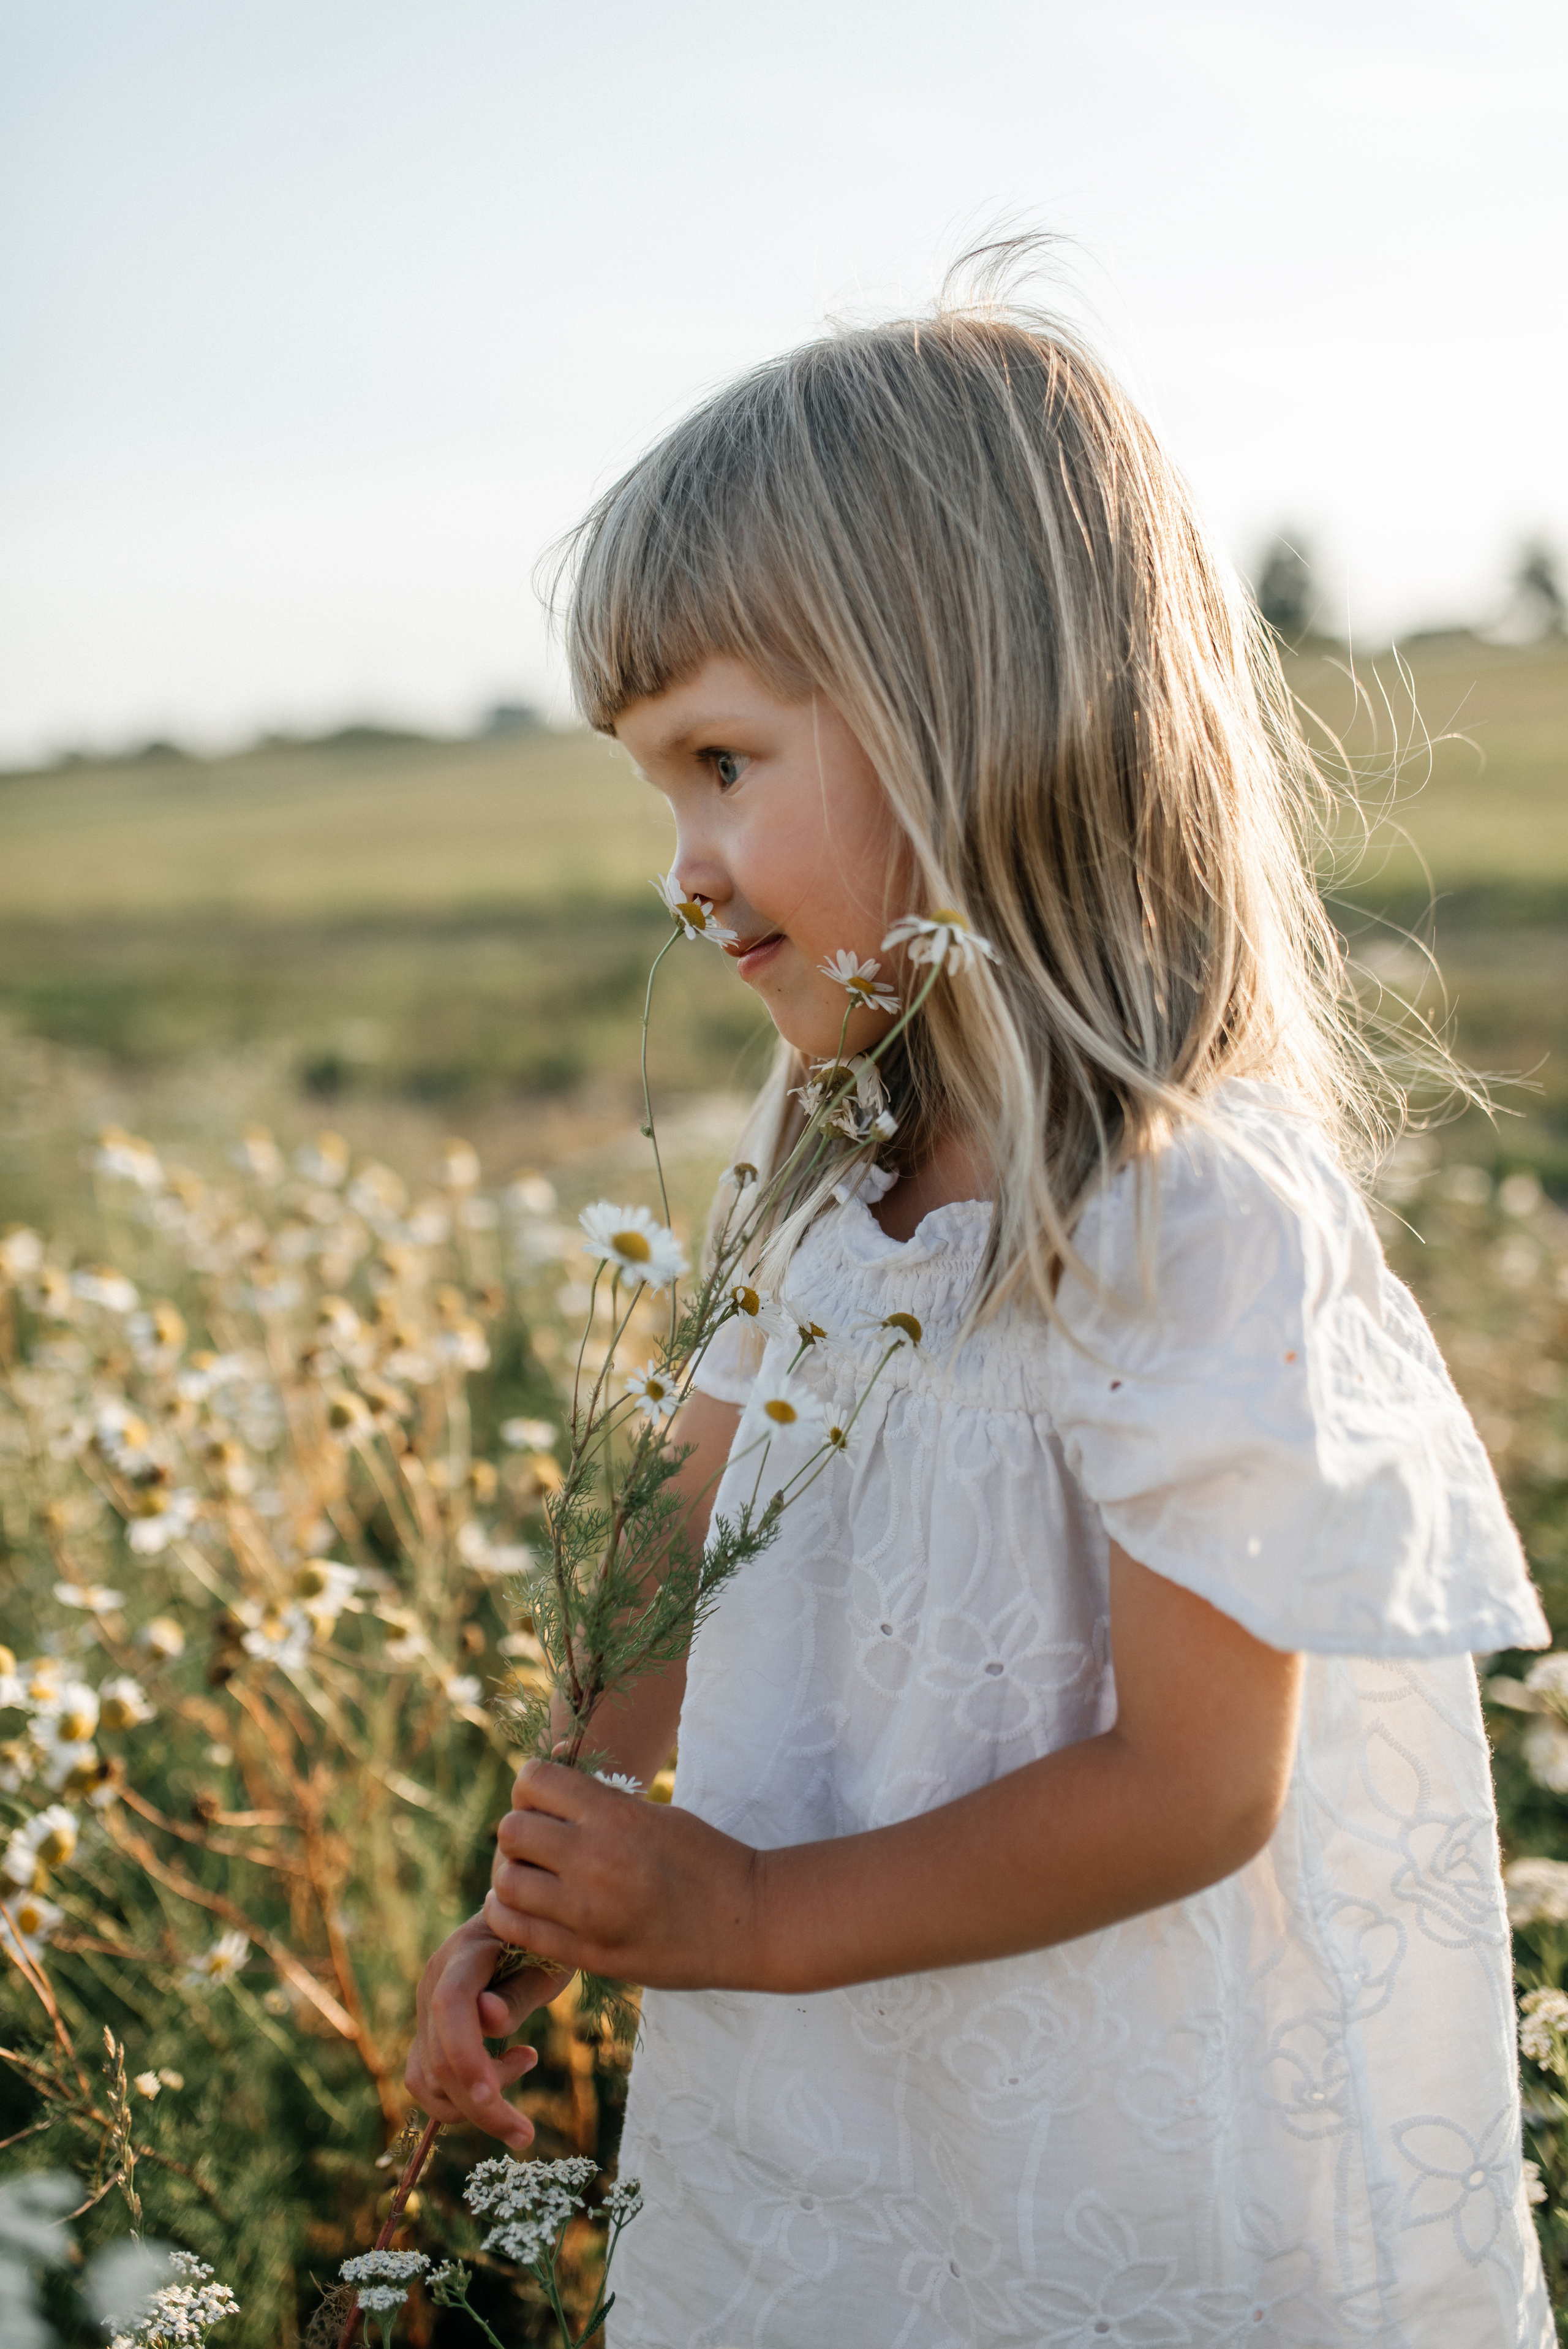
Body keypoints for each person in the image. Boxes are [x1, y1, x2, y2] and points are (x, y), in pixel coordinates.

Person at [407, 249, 1553, 2345]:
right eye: (659, 785)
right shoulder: (824, 1165)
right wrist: (563, 1851)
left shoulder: (1182, 1214)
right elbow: (688, 1516)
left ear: (968, 723)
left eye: (723, 762)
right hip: (826, 2114)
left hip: (1095, 2144)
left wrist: (745, 1908)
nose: (681, 861)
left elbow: (1199, 1785)